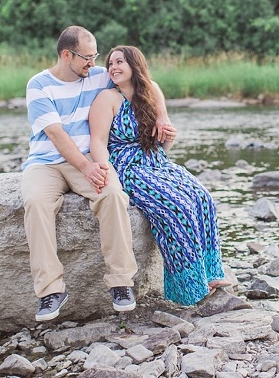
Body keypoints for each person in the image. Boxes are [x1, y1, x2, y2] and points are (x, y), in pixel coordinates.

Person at [21, 26, 169, 322]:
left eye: (96, 56)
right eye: (87, 58)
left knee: (113, 195)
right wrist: (87, 167)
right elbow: (55, 133)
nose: (95, 63)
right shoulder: (38, 85)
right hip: (46, 162)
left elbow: (145, 82)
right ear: (67, 55)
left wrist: (162, 114)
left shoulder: (98, 75)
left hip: (89, 159)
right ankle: (50, 290)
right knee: (36, 202)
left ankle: (121, 283)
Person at [89, 45, 231, 306]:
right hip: (127, 165)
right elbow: (97, 142)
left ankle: (210, 273)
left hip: (156, 159)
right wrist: (106, 173)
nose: (113, 68)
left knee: (201, 197)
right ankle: (186, 287)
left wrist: (169, 138)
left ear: (135, 65)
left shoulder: (151, 91)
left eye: (120, 62)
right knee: (176, 207)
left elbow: (163, 143)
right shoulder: (107, 99)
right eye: (110, 64)